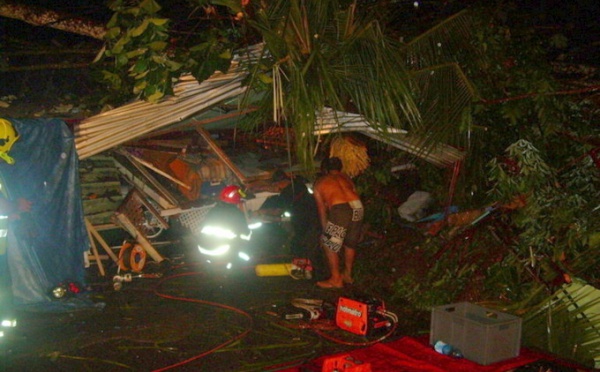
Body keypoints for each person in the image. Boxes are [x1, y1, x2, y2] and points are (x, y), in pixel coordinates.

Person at [253, 169, 322, 279]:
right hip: (315, 217)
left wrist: (260, 212)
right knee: (312, 245)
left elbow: (277, 212)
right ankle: (315, 270)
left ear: (278, 183)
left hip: (302, 221)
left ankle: (302, 273)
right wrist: (263, 188)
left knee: (298, 246)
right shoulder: (298, 184)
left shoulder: (286, 194)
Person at [313, 156, 364, 289]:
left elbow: (322, 209)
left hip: (340, 208)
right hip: (357, 206)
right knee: (350, 243)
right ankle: (347, 274)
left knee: (329, 244)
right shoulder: (346, 178)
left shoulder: (320, 183)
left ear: (324, 169)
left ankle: (336, 279)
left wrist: (325, 230)